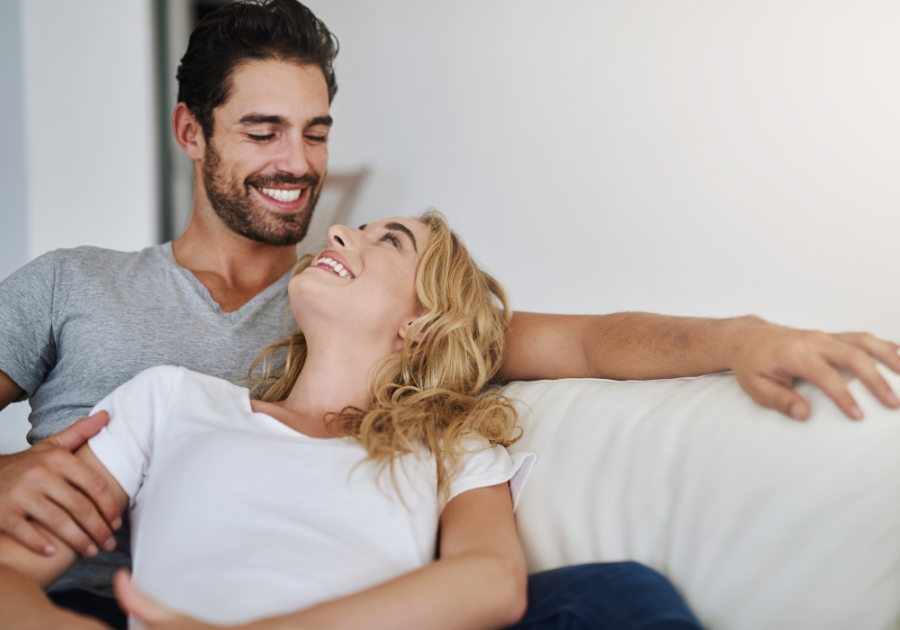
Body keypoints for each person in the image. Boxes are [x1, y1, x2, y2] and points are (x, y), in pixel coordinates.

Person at [0, 0, 898, 623]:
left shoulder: (363, 304)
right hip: (97, 599)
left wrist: (744, 335)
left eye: (316, 133)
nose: (299, 163)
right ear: (192, 133)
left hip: (349, 603)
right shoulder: (75, 291)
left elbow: (589, 341)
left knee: (611, 595)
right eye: (263, 131)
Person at [0, 212, 705, 630]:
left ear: (422, 324)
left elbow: (492, 580)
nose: (339, 231)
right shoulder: (168, 399)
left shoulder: (447, 442)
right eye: (357, 230)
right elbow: (9, 574)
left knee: (624, 595)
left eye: (388, 241)